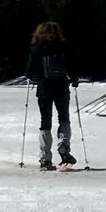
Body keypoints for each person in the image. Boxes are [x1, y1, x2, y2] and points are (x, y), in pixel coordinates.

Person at [26, 21, 74, 171]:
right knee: (64, 118)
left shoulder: (36, 49)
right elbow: (72, 66)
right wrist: (74, 78)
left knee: (45, 121)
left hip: (44, 88)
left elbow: (28, 71)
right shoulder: (63, 46)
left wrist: (37, 77)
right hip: (61, 86)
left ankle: (45, 158)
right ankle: (63, 144)